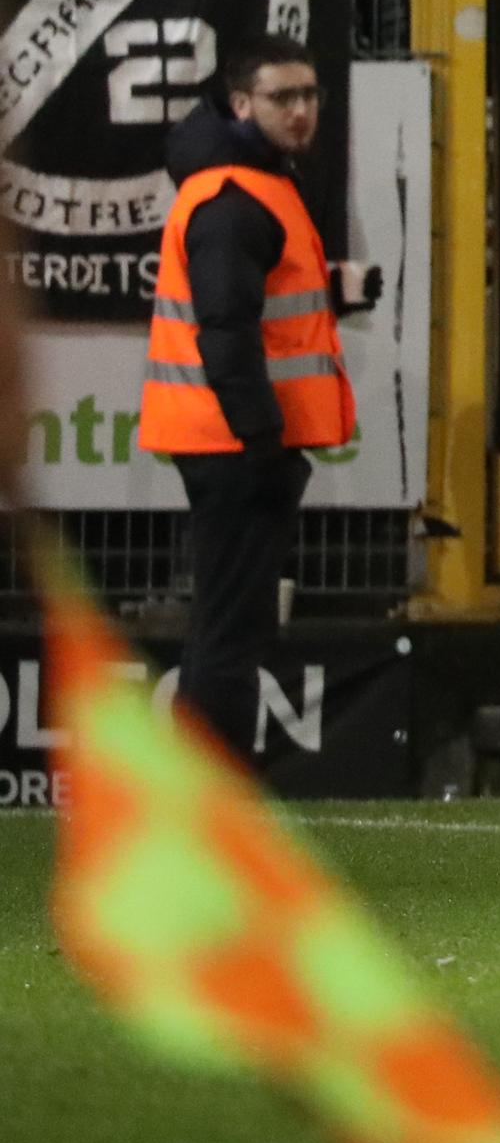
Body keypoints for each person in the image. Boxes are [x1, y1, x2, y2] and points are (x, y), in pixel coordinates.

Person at [141, 39, 359, 723]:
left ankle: (205, 791)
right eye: (282, 98)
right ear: (240, 104)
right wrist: (262, 436)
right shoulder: (235, 198)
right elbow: (226, 329)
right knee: (232, 630)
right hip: (238, 444)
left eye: (310, 95)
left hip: (235, 440)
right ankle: (209, 791)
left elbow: (253, 315)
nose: (301, 111)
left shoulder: (253, 185)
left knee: (229, 622)